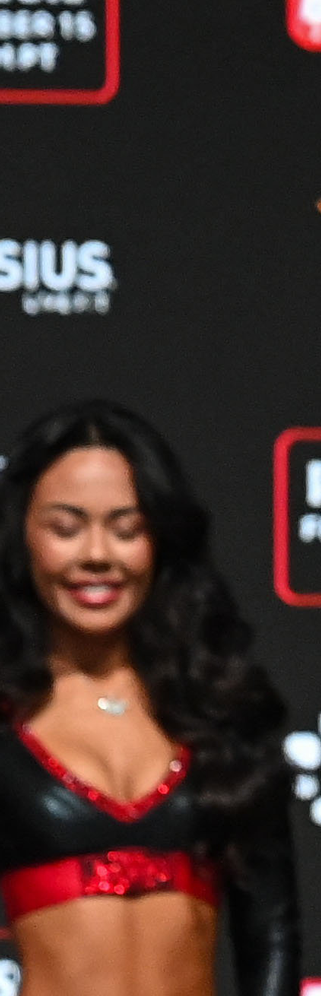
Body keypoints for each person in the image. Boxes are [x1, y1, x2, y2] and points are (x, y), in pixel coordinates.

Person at [0, 399, 298, 996]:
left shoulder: (220, 712)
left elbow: (272, 935)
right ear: (22, 535)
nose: (96, 555)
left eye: (126, 528)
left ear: (161, 538)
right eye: (65, 527)